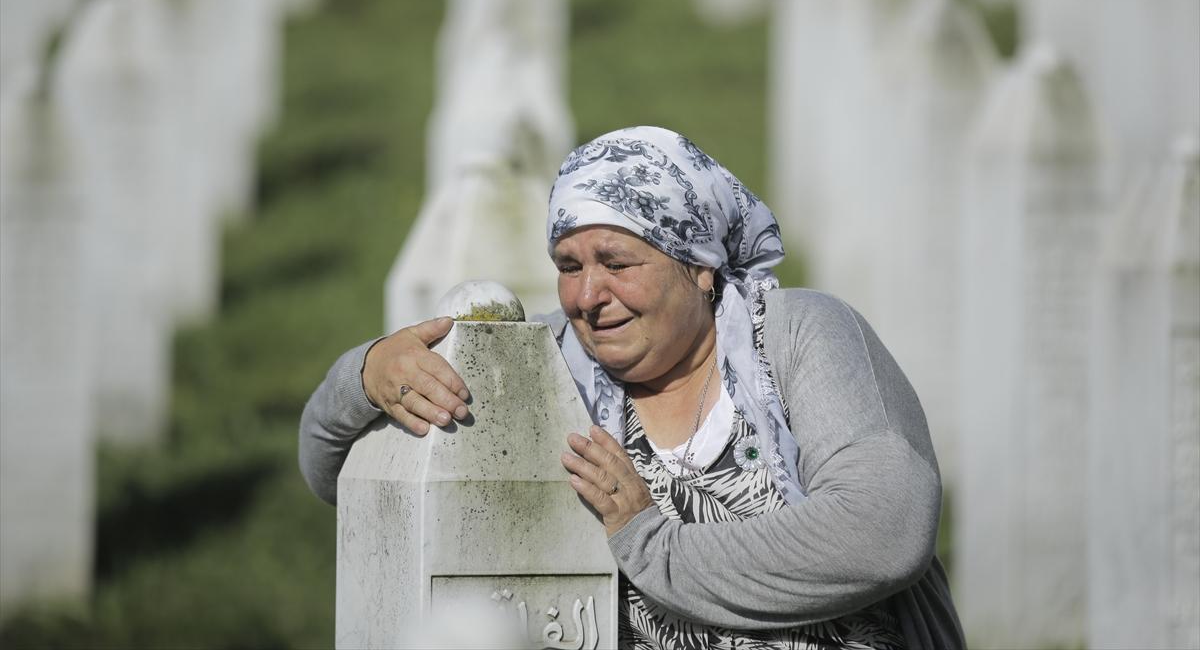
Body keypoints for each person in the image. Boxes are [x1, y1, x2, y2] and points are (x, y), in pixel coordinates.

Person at [300, 126, 965, 649]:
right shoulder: (543, 367)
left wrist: (651, 542)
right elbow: (351, 487)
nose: (588, 296)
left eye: (617, 263)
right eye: (568, 266)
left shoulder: (799, 336)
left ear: (699, 267)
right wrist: (363, 377)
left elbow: (885, 529)